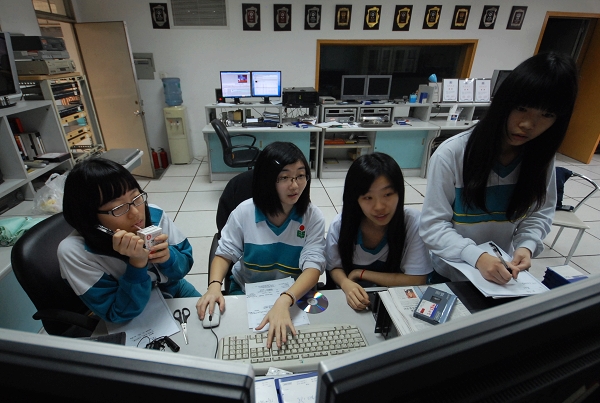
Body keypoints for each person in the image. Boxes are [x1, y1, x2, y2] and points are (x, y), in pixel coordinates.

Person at [420, 52, 579, 284]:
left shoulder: (540, 159)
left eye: (546, 114)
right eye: (521, 108)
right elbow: (433, 226)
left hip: (502, 275)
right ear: (503, 103)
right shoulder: (453, 153)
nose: (528, 124)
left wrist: (526, 245)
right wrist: (477, 257)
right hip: (451, 271)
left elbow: (539, 213)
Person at [196, 142, 326, 347]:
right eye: (284, 177)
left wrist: (285, 299)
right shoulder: (244, 212)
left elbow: (314, 266)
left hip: (294, 293)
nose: (294, 185)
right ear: (267, 180)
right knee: (239, 343)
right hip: (247, 290)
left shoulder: (312, 216)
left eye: (300, 175)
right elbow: (224, 254)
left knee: (302, 344)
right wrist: (214, 287)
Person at [58, 158, 200, 323]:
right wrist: (137, 265)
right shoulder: (74, 252)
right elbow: (118, 313)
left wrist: (169, 258)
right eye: (118, 208)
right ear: (90, 218)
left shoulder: (155, 215)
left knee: (213, 320)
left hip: (174, 290)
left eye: (136, 198)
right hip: (134, 314)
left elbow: (184, 266)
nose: (135, 213)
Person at [325, 153, 432, 310]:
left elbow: (417, 279)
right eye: (368, 198)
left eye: (387, 194)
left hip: (395, 304)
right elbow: (334, 267)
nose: (379, 207)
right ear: (355, 199)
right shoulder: (340, 225)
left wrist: (361, 273)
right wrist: (346, 283)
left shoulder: (411, 223)